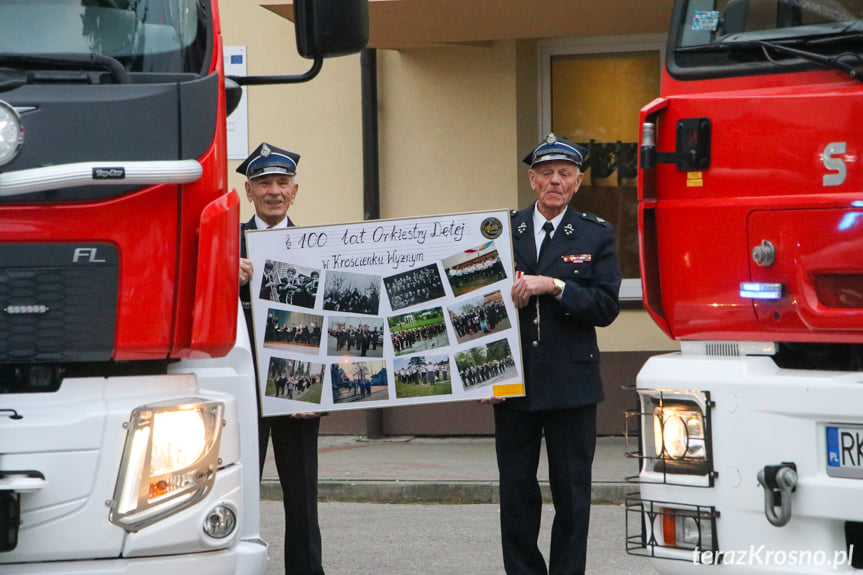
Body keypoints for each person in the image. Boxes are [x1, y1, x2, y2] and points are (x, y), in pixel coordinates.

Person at [488, 133, 621, 575]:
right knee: (517, 492)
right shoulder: (505, 230)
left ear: (578, 182)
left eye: (564, 174)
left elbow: (605, 308)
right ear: (532, 179)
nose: (555, 182)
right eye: (546, 173)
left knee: (571, 495)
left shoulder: (595, 234)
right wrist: (480, 372)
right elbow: (473, 303)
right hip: (514, 383)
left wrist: (557, 286)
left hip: (571, 385)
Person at [237, 142, 325, 575]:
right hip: (239, 382)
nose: (274, 191)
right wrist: (223, 276)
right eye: (263, 183)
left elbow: (334, 319)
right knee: (236, 488)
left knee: (302, 491)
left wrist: (320, 391)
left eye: (282, 183)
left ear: (295, 191)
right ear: (248, 192)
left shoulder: (317, 246)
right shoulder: (225, 244)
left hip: (297, 380)